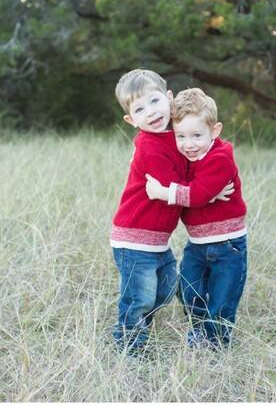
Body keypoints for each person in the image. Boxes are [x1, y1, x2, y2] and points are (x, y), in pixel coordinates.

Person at [145, 87, 247, 349]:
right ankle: (200, 330)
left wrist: (165, 193)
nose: (188, 144)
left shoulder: (220, 158)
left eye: (196, 135)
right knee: (189, 289)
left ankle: (216, 342)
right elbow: (193, 192)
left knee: (223, 297)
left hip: (228, 245)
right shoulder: (186, 158)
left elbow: (198, 196)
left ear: (215, 131)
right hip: (197, 243)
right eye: (181, 136)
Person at [109, 69, 187, 354]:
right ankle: (129, 348)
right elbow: (174, 186)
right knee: (139, 297)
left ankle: (135, 324)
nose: (151, 112)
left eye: (154, 101)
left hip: (156, 240)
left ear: (169, 99)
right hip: (133, 239)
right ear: (131, 120)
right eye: (140, 109)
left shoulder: (173, 136)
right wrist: (207, 187)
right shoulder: (149, 146)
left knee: (165, 288)